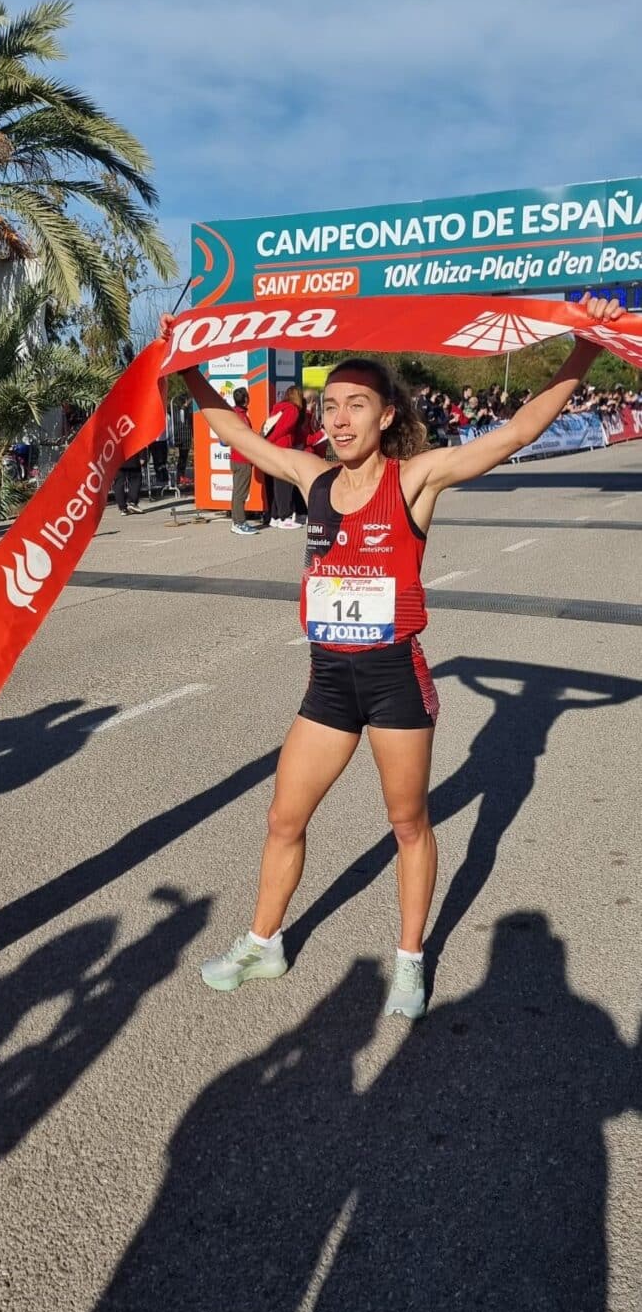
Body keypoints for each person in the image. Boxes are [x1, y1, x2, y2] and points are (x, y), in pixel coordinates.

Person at [160, 294, 622, 1020]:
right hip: (328, 682)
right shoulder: (312, 478)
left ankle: (410, 959)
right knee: (284, 817)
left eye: (356, 405)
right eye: (331, 406)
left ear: (385, 416)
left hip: (393, 680)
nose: (339, 419)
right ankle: (263, 941)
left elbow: (518, 431)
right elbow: (235, 432)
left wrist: (586, 347)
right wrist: (184, 363)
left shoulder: (414, 478)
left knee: (407, 823)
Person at [261, 385, 306, 528]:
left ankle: (274, 516)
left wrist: (266, 443)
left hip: (271, 449)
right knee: (284, 484)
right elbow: (283, 429)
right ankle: (284, 517)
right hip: (282, 449)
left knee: (274, 485)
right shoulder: (292, 410)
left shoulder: (278, 408)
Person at [229, 386, 259, 536]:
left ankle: (237, 521)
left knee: (237, 492)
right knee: (240, 493)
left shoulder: (234, 414)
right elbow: (246, 439)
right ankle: (239, 522)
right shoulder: (241, 417)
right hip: (242, 459)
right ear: (246, 399)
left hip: (236, 457)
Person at [114, 449, 143, 514]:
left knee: (119, 483)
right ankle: (132, 502)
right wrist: (143, 456)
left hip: (117, 458)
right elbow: (140, 442)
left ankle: (122, 507)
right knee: (135, 480)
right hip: (133, 457)